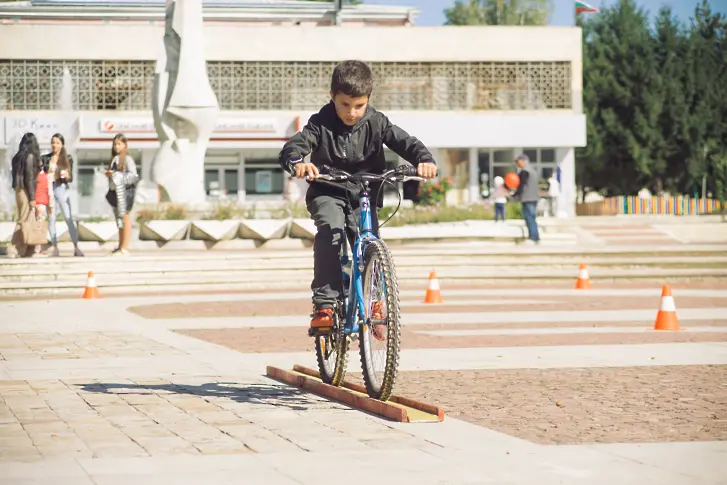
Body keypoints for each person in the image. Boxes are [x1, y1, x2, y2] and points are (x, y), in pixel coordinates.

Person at [278, 60, 437, 333]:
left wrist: (424, 159)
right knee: (331, 232)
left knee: (369, 243)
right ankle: (325, 305)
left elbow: (405, 142)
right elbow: (294, 146)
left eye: (359, 106)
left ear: (368, 99)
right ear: (332, 97)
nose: (351, 113)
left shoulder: (377, 122)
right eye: (344, 105)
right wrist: (297, 162)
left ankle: (373, 301)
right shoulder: (320, 124)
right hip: (329, 190)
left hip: (364, 192)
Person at [41, 133, 84, 257]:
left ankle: (76, 247)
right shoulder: (45, 158)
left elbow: (70, 178)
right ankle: (54, 247)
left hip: (61, 187)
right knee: (51, 218)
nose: (54, 145)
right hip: (49, 188)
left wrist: (66, 175)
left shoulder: (67, 158)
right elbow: (41, 175)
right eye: (53, 142)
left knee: (68, 217)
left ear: (62, 144)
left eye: (57, 142)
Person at [105, 134, 139, 256]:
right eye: (115, 144)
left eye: (119, 144)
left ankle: (125, 247)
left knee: (125, 219)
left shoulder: (128, 159)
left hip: (124, 192)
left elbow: (134, 176)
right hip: (115, 192)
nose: (116, 146)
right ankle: (120, 245)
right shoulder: (115, 159)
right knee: (119, 220)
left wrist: (118, 176)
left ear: (125, 145)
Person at [9, 133, 40, 258]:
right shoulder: (30, 157)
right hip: (26, 190)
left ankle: (28, 249)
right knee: (24, 219)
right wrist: (32, 197)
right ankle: (14, 247)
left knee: (27, 218)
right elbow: (29, 178)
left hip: (18, 189)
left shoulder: (17, 157)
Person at [513, 154, 540, 244]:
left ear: (522, 161)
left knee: (529, 218)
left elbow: (521, 185)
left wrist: (515, 195)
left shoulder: (525, 172)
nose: (517, 164)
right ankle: (536, 237)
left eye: (517, 162)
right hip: (534, 197)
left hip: (527, 198)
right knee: (532, 217)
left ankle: (532, 238)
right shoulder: (533, 171)